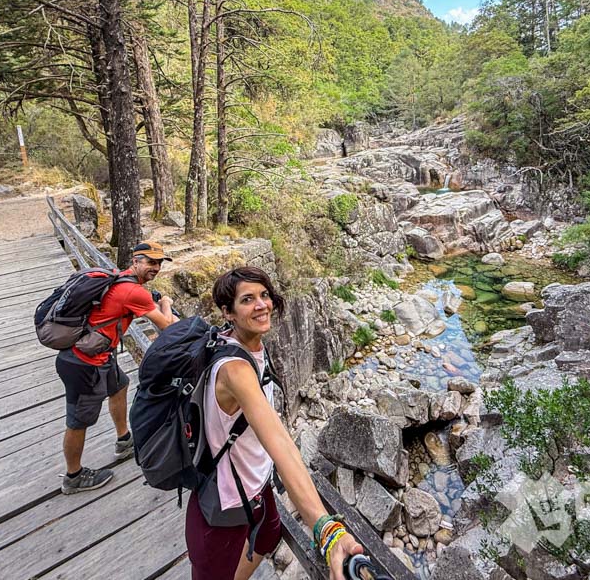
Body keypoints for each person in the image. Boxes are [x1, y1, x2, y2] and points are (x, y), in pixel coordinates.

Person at [186, 266, 363, 580]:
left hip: (256, 486)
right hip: (226, 504)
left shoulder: (236, 341)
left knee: (268, 534)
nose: (261, 305)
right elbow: (281, 445)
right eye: (247, 299)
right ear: (227, 312)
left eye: (264, 295)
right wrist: (327, 530)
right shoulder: (236, 371)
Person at [56, 241, 177, 494]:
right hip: (84, 364)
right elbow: (166, 325)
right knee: (78, 421)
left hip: (99, 356)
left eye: (159, 263)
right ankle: (73, 477)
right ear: (135, 261)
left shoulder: (122, 279)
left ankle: (124, 440)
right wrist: (165, 302)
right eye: (150, 262)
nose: (156, 268)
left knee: (120, 385)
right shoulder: (133, 292)